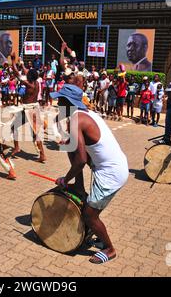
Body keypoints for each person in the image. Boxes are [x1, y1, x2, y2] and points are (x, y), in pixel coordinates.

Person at [50, 84, 128, 264]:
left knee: (89, 214)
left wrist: (64, 179)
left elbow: (81, 160)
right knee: (70, 146)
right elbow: (76, 150)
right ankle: (79, 186)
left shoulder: (77, 120)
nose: (57, 103)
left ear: (68, 102)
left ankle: (109, 249)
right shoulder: (86, 115)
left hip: (111, 173)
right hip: (113, 167)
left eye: (60, 100)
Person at [9, 52, 46, 162]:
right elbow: (26, 72)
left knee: (14, 127)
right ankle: (41, 154)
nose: (27, 73)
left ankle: (17, 147)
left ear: (29, 77)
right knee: (35, 134)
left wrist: (13, 61)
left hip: (28, 110)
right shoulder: (37, 82)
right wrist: (22, 63)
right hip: (33, 109)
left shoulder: (29, 85)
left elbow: (16, 74)